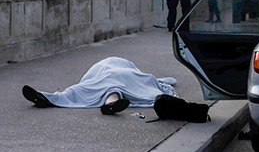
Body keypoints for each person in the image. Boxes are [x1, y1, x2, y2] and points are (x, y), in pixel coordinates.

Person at [22, 57, 178, 115]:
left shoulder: (105, 65)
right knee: (113, 89)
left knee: (78, 90)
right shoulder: (131, 69)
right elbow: (156, 79)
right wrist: (160, 82)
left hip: (101, 76)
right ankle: (110, 104)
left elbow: (87, 79)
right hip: (121, 76)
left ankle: (47, 97)